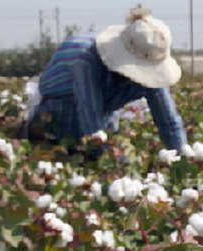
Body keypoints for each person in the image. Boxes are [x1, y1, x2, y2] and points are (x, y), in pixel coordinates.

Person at [26, 4, 187, 153]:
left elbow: (170, 122)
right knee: (82, 138)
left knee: (110, 130)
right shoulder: (84, 58)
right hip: (58, 110)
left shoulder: (148, 55)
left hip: (104, 111)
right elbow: (91, 120)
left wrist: (184, 159)